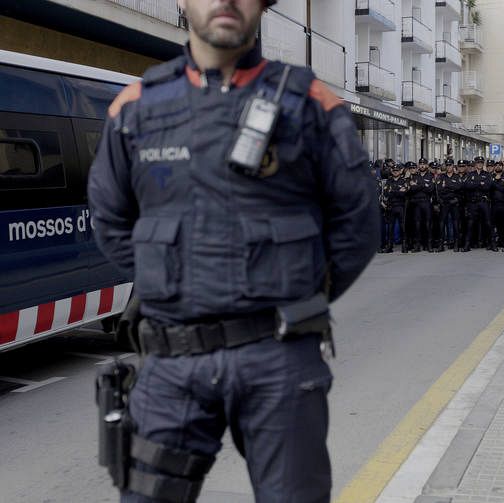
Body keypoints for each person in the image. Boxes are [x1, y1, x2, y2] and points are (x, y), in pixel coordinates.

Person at [88, 1, 379, 501]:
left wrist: (299, 294)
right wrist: (173, 285)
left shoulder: (311, 103)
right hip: (171, 363)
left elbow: (358, 223)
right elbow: (110, 218)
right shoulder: (135, 107)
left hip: (279, 359)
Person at [436, 159, 461, 252]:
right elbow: (439, 189)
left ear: (453, 166)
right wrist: (452, 188)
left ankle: (456, 244)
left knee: (455, 223)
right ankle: (441, 244)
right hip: (445, 203)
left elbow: (459, 187)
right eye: (447, 165)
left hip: (454, 202)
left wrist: (447, 186)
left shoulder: (457, 176)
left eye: (450, 165)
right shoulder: (441, 176)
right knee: (442, 224)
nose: (449, 167)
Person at [383, 163, 409, 253]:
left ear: (400, 172)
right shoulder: (389, 181)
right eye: (394, 171)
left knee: (403, 226)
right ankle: (389, 246)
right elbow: (386, 193)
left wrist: (393, 191)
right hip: (391, 206)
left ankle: (404, 245)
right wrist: (398, 191)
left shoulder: (404, 181)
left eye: (397, 171)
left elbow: (404, 193)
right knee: (390, 227)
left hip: (401, 206)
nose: (395, 172)